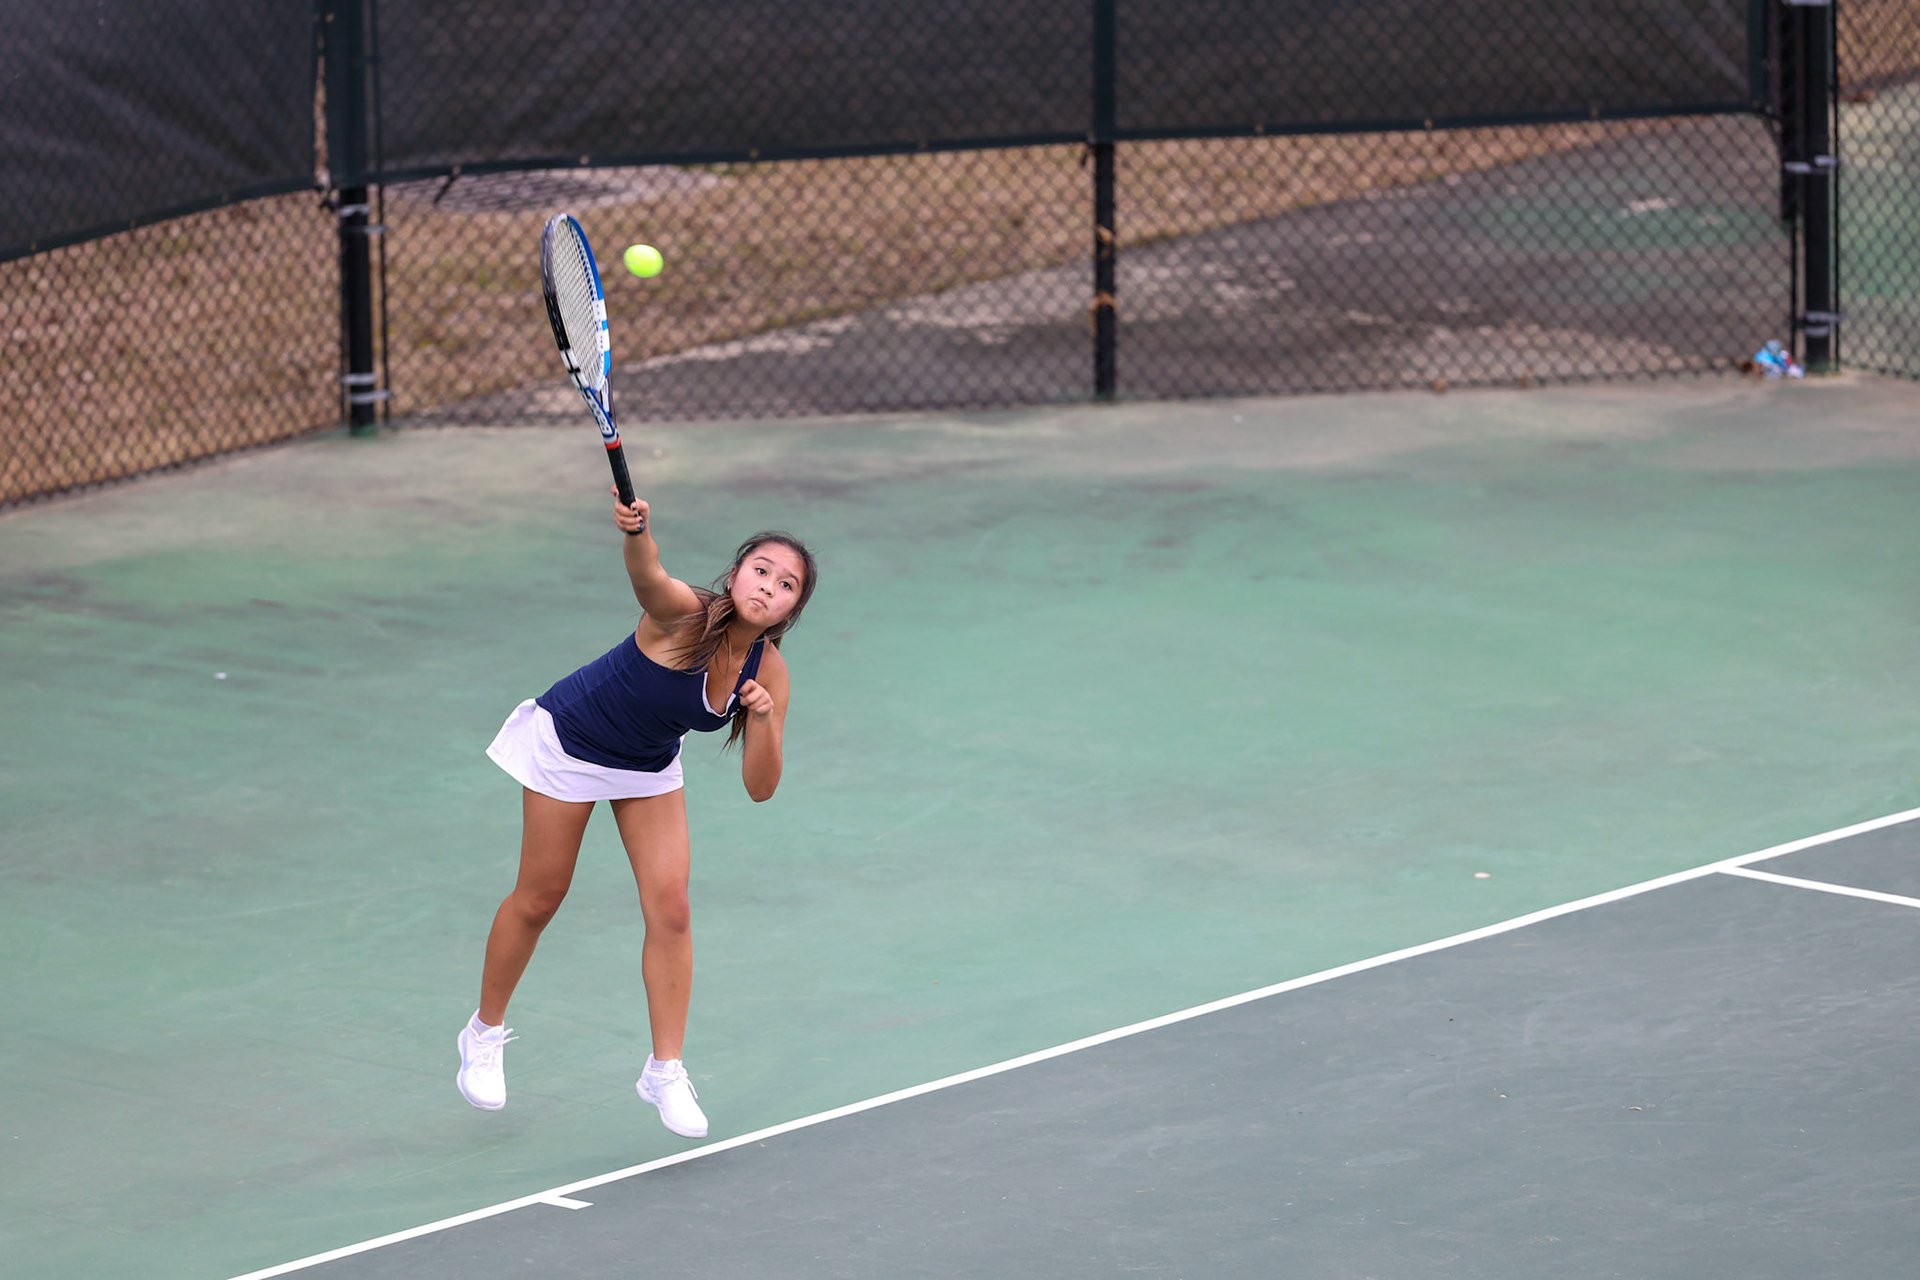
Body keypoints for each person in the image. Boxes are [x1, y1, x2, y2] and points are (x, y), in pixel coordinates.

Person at [457, 487, 817, 1138]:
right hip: (569, 742)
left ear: (793, 607)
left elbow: (761, 788)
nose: (767, 586)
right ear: (736, 573)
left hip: (647, 764)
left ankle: (665, 1070)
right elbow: (649, 578)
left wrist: (762, 718)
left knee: (672, 909)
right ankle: (482, 1034)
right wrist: (636, 534)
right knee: (541, 898)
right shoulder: (684, 615)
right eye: (759, 569)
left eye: (785, 583)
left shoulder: (772, 671)